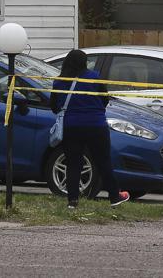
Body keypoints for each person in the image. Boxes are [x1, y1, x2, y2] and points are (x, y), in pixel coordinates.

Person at [52, 49, 130, 209]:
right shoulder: (94, 77)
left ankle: (72, 201)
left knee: (73, 164)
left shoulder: (59, 81)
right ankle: (115, 196)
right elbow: (105, 100)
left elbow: (54, 107)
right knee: (104, 161)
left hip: (71, 127)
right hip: (96, 126)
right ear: (84, 62)